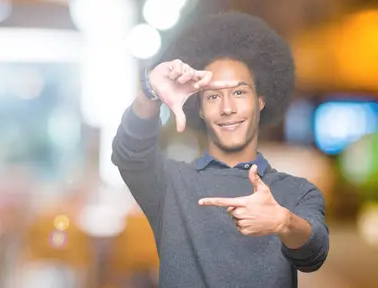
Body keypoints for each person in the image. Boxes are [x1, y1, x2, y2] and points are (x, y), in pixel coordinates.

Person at [111, 11, 329, 288]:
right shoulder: (169, 185)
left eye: (239, 92)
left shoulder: (297, 192)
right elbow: (129, 153)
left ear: (260, 101)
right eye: (213, 96)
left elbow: (314, 254)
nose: (227, 108)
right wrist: (150, 91)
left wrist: (283, 222)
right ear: (200, 109)